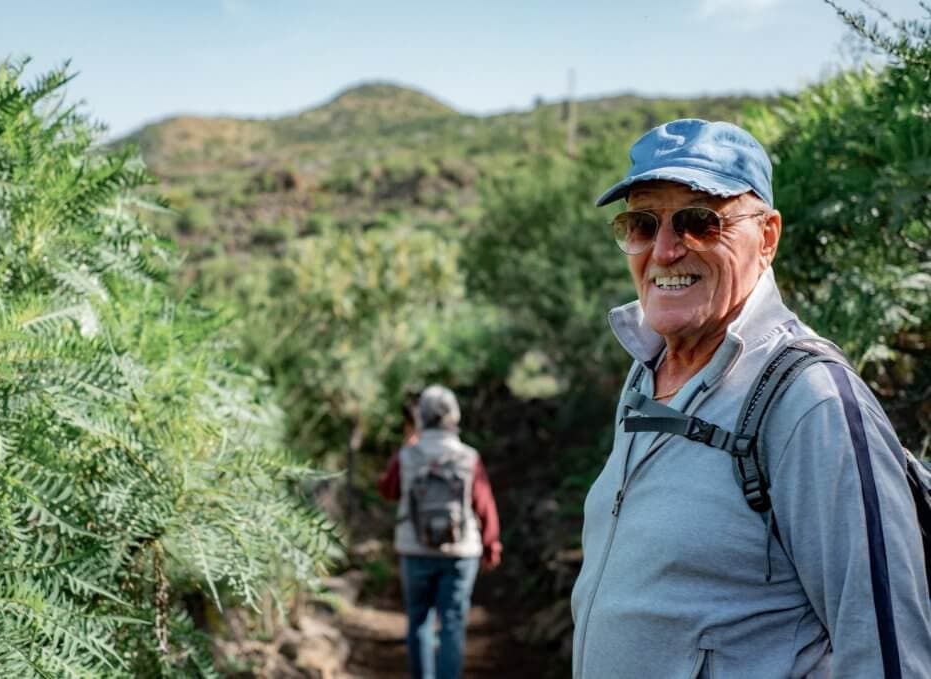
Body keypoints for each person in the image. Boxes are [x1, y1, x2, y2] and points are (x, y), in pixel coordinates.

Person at [570, 119, 931, 678]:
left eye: (699, 221)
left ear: (767, 237)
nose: (665, 250)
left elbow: (889, 653)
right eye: (642, 223)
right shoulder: (648, 370)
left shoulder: (813, 402)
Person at [378, 385, 502, 679]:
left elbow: (388, 490)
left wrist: (407, 447)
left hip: (414, 550)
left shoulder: (407, 454)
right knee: (452, 623)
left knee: (419, 621)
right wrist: (491, 545)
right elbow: (484, 505)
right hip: (460, 553)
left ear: (421, 416)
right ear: (454, 416)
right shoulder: (468, 457)